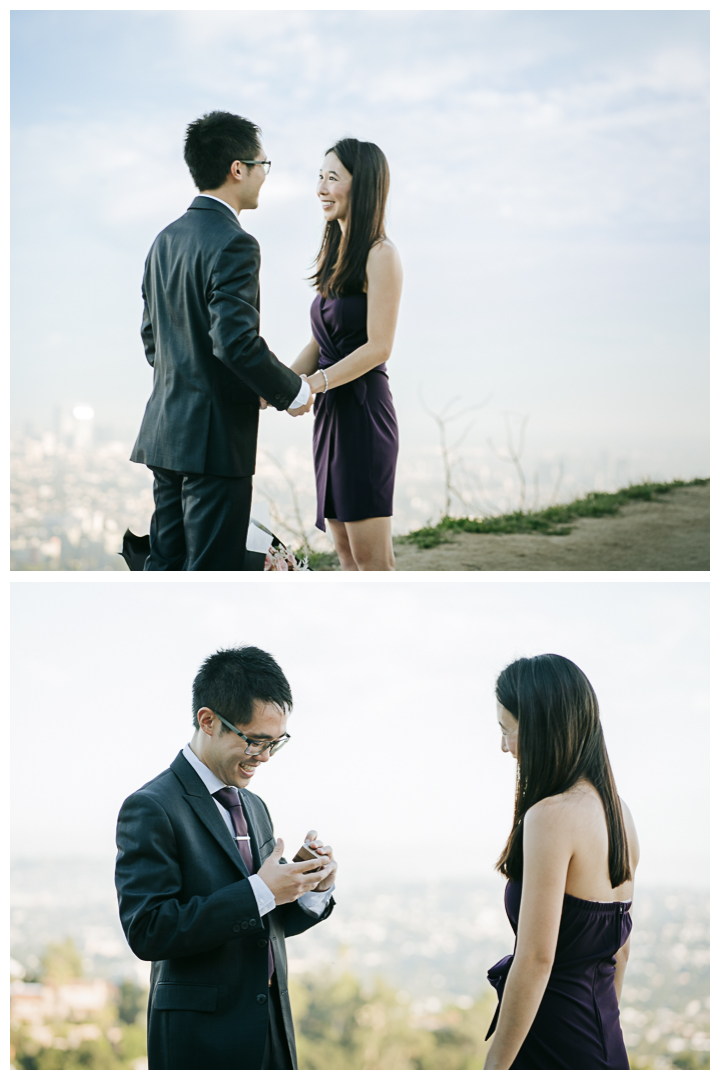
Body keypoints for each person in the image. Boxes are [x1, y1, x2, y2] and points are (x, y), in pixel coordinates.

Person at [115, 646, 336, 1070]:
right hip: (200, 1041)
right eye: (254, 741)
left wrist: (311, 888)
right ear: (208, 720)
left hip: (271, 1029)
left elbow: (260, 923)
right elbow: (148, 932)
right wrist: (259, 891)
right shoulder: (151, 806)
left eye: (276, 743)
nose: (265, 757)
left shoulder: (254, 806)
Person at [130, 111, 314, 571]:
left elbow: (154, 339)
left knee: (166, 566)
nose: (263, 177)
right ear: (238, 168)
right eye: (262, 166)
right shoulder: (235, 242)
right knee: (212, 570)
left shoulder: (164, 240)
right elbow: (234, 341)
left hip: (166, 431)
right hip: (213, 442)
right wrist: (292, 389)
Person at [483, 654, 640, 1070]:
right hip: (603, 1039)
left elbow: (535, 959)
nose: (503, 747)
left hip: (552, 1045)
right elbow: (619, 953)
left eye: (507, 730)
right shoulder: (619, 813)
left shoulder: (551, 816)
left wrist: (492, 1069)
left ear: (539, 729)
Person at [290, 138, 402, 571]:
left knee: (373, 563)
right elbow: (321, 342)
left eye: (332, 178)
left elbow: (379, 346)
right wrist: (277, 383)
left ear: (364, 185)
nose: (320, 188)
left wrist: (314, 384)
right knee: (345, 554)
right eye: (319, 177)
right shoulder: (335, 258)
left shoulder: (381, 255)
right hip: (331, 416)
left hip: (363, 413)